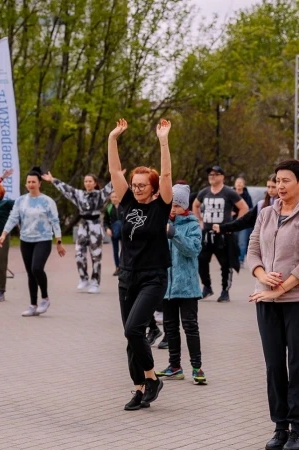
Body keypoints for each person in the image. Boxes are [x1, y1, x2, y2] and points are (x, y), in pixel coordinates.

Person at [246, 159, 299, 450]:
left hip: (298, 302)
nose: (280, 186)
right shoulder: (266, 213)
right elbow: (252, 250)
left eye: (286, 181)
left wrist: (279, 291)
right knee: (274, 365)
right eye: (277, 180)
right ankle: (280, 427)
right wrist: (262, 275)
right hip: (264, 299)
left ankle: (298, 431)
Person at [107, 118, 173, 411]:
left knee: (134, 329)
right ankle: (138, 389)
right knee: (130, 337)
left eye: (142, 185)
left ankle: (151, 378)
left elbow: (168, 173)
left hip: (153, 277)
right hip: (127, 276)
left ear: (153, 188)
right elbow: (113, 170)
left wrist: (163, 140)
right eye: (134, 185)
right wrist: (113, 139)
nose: (136, 189)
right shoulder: (127, 203)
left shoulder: (161, 207)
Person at [153, 184, 207, 385]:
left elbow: (193, 249)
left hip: (187, 288)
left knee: (190, 326)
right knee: (170, 327)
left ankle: (197, 367)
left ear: (184, 206)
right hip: (166, 287)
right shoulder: (162, 222)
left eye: (177, 205)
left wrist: (174, 233)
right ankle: (174, 366)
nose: (173, 209)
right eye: (170, 205)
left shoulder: (192, 224)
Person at [0, 168, 65, 316]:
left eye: (33, 182)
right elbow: (13, 218)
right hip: (26, 240)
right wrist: (4, 234)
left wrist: (59, 241)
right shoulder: (21, 201)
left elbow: (55, 221)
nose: (31, 184)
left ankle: (45, 298)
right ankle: (33, 305)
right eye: (28, 182)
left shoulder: (48, 201)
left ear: (40, 183)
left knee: (37, 268)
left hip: (43, 239)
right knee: (30, 272)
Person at [44, 172, 113, 293]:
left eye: (90, 181)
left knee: (96, 255)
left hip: (95, 226)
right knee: (79, 253)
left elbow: (110, 187)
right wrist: (53, 180)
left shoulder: (100, 195)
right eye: (86, 181)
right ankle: (83, 278)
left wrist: (118, 176)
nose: (87, 183)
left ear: (95, 183)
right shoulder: (79, 194)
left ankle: (95, 283)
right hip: (83, 225)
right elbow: (67, 189)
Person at [192, 165, 249, 302]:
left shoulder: (229, 192)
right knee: (201, 260)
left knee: (225, 264)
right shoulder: (204, 192)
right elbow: (195, 205)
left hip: (223, 234)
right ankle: (207, 287)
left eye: (215, 174)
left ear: (222, 177)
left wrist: (232, 225)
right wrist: (199, 221)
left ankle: (225, 291)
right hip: (206, 234)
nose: (212, 176)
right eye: (210, 174)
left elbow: (244, 207)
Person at [234, 176, 254, 265]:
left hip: (243, 222)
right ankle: (232, 259)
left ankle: (240, 260)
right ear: (234, 184)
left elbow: (250, 208)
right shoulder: (231, 194)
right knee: (232, 242)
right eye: (237, 182)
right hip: (232, 221)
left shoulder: (247, 196)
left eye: (240, 182)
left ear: (244, 185)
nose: (239, 184)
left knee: (242, 242)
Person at [104, 191, 123, 277]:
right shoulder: (108, 208)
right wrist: (107, 229)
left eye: (116, 197)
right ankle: (117, 267)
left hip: (123, 233)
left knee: (124, 250)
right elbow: (106, 221)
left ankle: (124, 267)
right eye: (112, 197)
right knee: (115, 251)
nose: (114, 199)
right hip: (114, 232)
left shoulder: (124, 207)